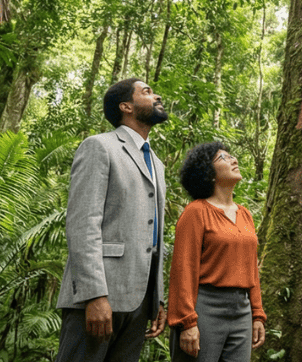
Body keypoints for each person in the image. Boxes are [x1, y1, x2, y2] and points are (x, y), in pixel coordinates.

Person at [55, 78, 170, 362]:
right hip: (98, 297)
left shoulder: (157, 163)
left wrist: (158, 299)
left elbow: (154, 236)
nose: (156, 96)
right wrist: (94, 295)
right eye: (146, 92)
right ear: (126, 106)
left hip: (140, 301)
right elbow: (83, 224)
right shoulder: (99, 147)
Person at [167, 142, 267, 362]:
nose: (233, 160)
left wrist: (257, 314)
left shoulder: (245, 215)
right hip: (205, 308)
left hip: (242, 311)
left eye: (232, 156)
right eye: (223, 158)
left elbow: (251, 269)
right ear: (208, 173)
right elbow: (183, 270)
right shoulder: (196, 212)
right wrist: (186, 322)